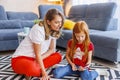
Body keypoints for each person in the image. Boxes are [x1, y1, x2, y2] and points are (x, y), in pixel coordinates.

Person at [11, 8, 64, 80]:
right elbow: (37, 54)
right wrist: (44, 73)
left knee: (58, 56)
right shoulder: (38, 29)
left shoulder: (54, 30)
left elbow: (52, 50)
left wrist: (39, 59)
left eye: (60, 22)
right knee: (32, 68)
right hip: (20, 59)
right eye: (56, 22)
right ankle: (32, 70)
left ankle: (31, 70)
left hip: (37, 58)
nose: (59, 25)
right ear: (48, 22)